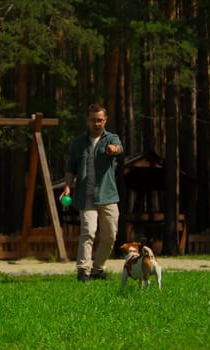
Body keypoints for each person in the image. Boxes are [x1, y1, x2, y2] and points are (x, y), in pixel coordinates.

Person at [60, 103, 123, 282]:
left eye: (100, 120)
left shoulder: (112, 139)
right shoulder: (78, 143)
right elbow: (70, 167)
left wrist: (114, 149)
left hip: (107, 195)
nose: (97, 123)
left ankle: (98, 269)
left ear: (105, 120)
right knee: (88, 231)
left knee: (110, 235)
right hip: (85, 195)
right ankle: (83, 271)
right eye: (93, 120)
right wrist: (67, 187)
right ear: (88, 121)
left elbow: (119, 149)